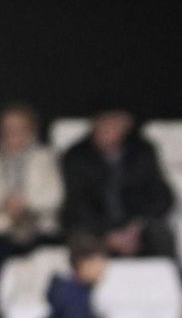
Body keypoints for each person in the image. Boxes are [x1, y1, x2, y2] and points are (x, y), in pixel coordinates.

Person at [60, 106, 175, 259]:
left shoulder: (143, 151)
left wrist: (137, 226)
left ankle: (161, 280)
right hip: (95, 226)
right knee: (80, 236)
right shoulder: (75, 155)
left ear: (127, 124)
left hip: (135, 225)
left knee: (161, 233)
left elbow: (162, 196)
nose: (109, 128)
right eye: (104, 122)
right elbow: (76, 204)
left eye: (116, 122)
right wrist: (107, 234)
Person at [0, 103, 63, 265]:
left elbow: (54, 196)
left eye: (20, 127)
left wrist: (25, 203)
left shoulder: (46, 157)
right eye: (8, 127)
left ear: (31, 128)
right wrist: (4, 202)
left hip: (40, 228)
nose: (13, 132)